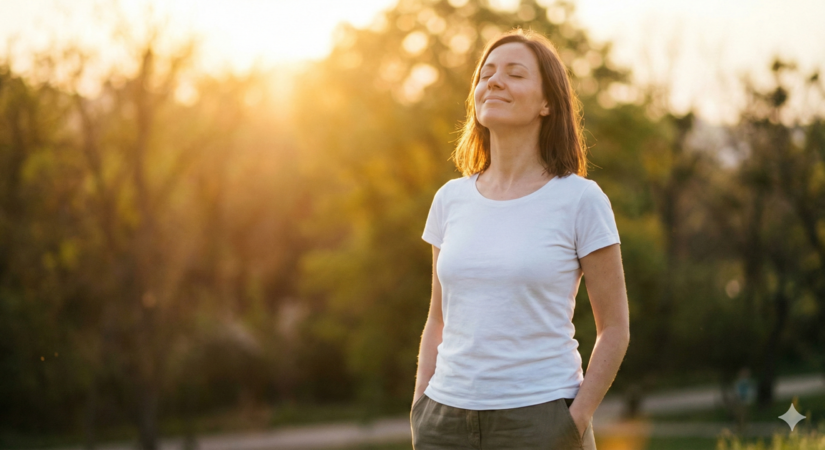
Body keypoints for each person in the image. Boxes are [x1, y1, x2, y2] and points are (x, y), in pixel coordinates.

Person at [410, 29, 630, 450]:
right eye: (487, 73)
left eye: (514, 74)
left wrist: (574, 421)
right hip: (443, 421)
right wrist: (421, 405)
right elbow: (438, 318)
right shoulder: (449, 199)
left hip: (539, 420)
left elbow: (615, 328)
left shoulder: (580, 199)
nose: (494, 81)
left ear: (547, 102)